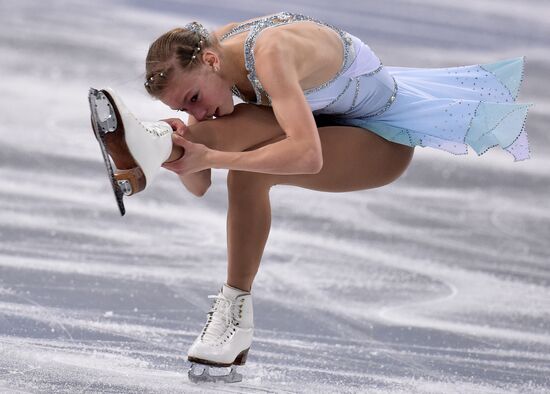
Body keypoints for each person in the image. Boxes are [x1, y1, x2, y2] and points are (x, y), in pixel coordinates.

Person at [117, 11, 532, 380]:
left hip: (378, 139)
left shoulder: (271, 53)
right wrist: (186, 150)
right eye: (186, 104)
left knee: (245, 174)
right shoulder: (217, 53)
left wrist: (210, 153)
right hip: (328, 120)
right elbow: (200, 182)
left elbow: (308, 155)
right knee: (204, 138)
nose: (199, 109)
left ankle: (235, 314)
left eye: (193, 99)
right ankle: (152, 145)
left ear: (209, 61)